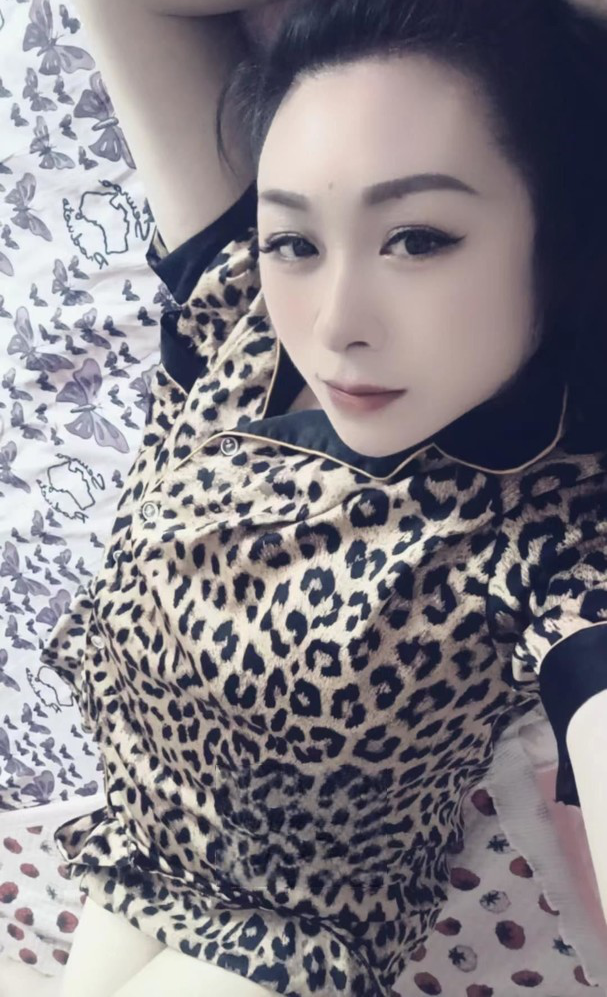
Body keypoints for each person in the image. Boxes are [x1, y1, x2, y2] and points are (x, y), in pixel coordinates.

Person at [43, 0, 607, 994]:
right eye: (295, 240)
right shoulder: (239, 309)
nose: (337, 323)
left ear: (560, 237)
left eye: (417, 239)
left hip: (286, 938)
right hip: (130, 856)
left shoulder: (553, 526)